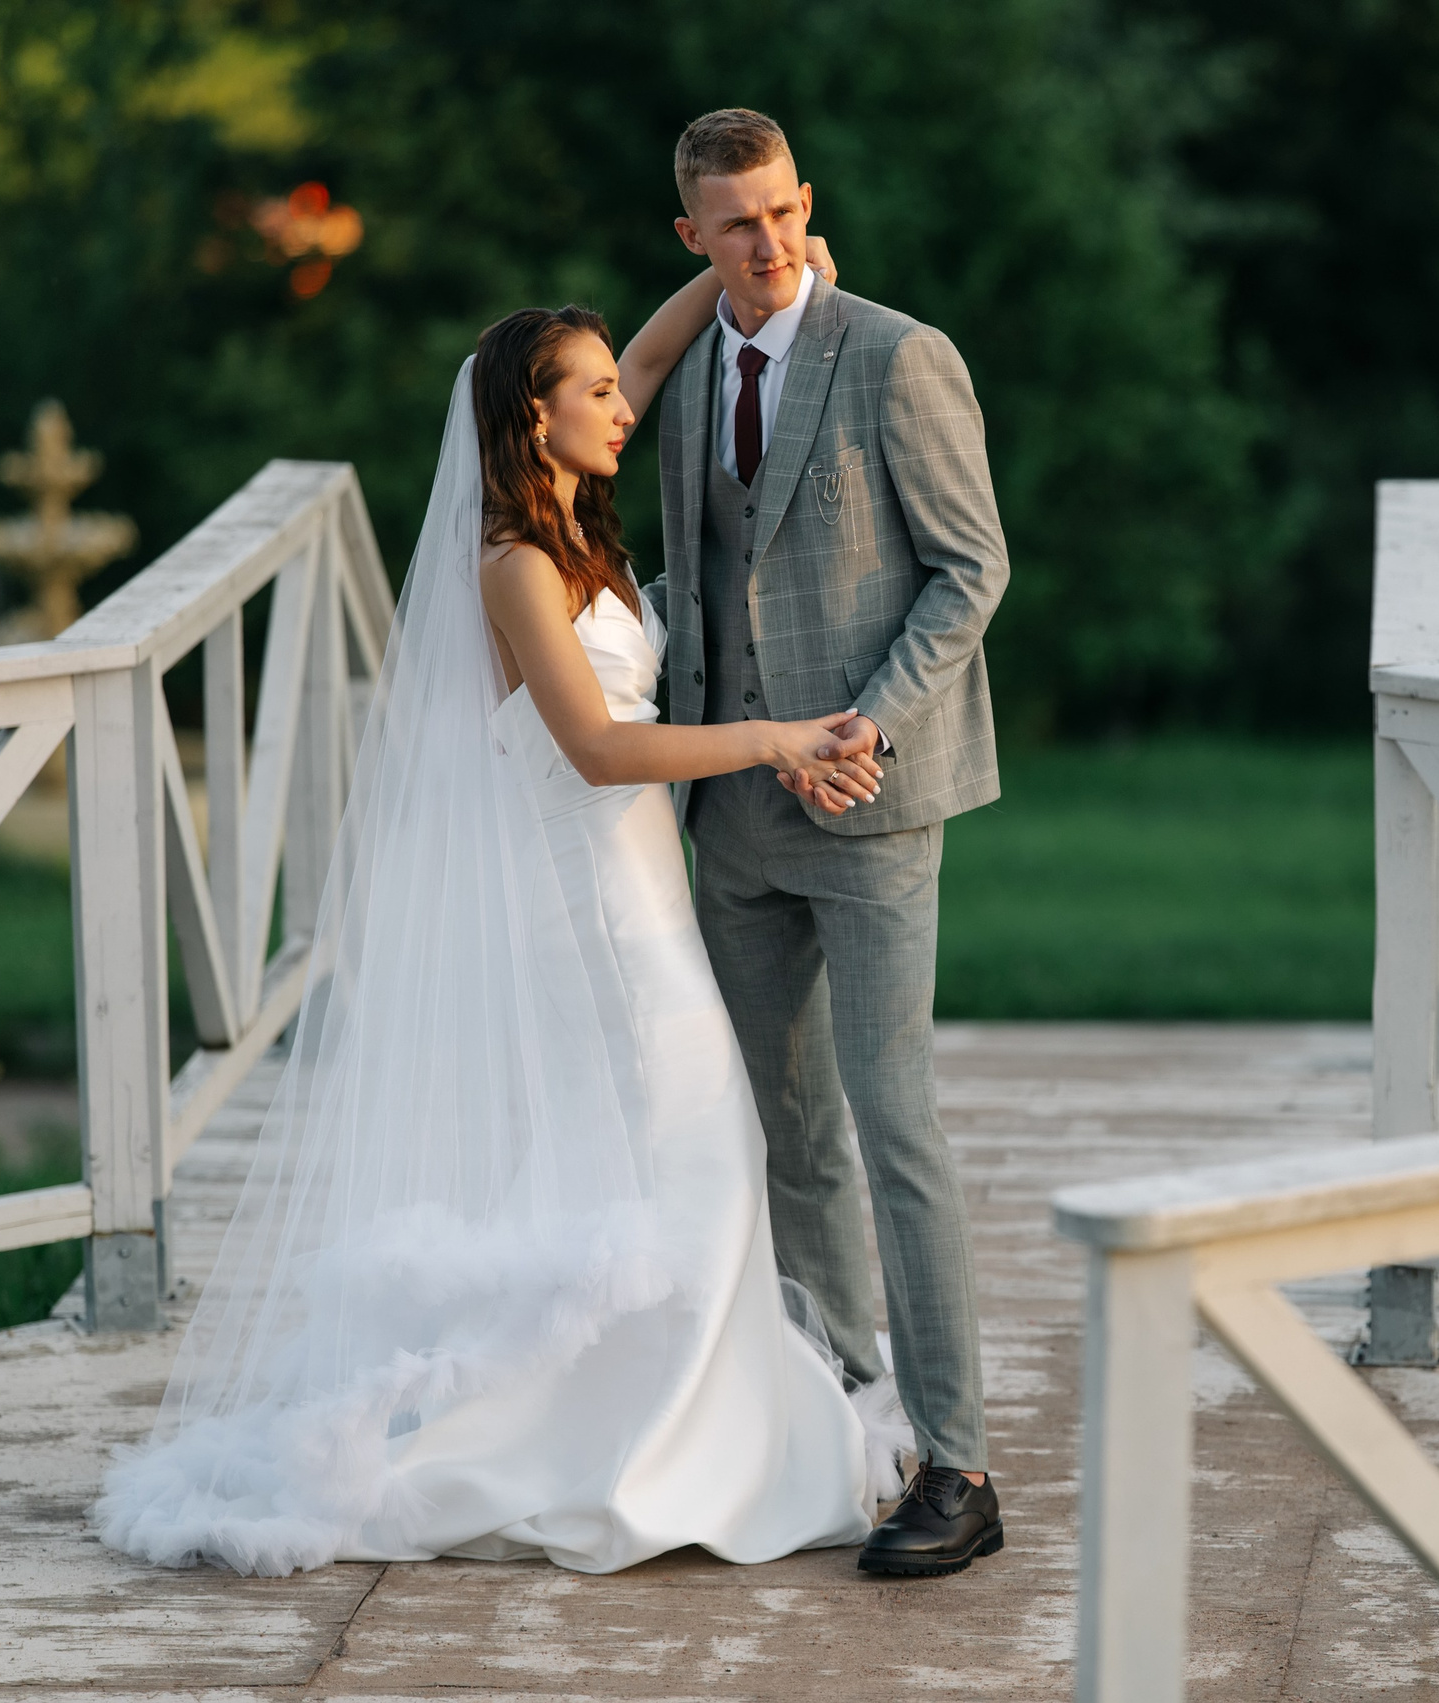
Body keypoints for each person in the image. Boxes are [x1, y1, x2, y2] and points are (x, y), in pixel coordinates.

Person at [92, 247, 923, 1576]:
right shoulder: (511, 568)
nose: (625, 404)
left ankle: (680, 1433)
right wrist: (769, 736)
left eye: (613, 383)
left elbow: (647, 358)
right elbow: (596, 749)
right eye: (592, 391)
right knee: (699, 1144)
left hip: (639, 891)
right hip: (593, 909)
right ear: (535, 417)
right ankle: (645, 1457)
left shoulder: (570, 532)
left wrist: (744, 265)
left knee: (679, 1160)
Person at [615, 107, 1010, 1578]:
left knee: (895, 1127)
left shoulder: (901, 356)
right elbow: (703, 575)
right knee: (783, 1133)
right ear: (694, 239)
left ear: (804, 204)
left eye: (784, 213)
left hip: (870, 811)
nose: (769, 243)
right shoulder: (692, 370)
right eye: (738, 224)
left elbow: (972, 571)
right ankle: (853, 1415)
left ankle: (962, 1467)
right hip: (729, 817)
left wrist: (872, 729)